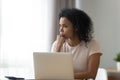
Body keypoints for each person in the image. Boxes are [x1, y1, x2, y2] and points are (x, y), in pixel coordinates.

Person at [51, 8, 102, 80]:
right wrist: (58, 47)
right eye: (60, 25)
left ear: (76, 27)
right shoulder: (57, 44)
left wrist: (66, 76)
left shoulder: (92, 44)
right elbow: (52, 72)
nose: (60, 30)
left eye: (65, 26)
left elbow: (92, 74)